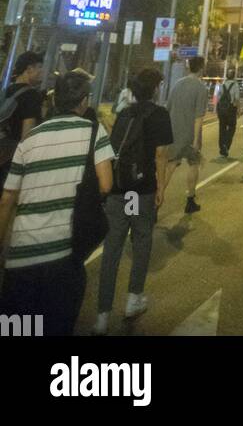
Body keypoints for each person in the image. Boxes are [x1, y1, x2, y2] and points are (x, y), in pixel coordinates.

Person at [0, 69, 113, 337]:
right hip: (63, 256)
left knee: (20, 331)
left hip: (20, 258)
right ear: (84, 101)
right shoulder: (93, 132)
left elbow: (7, 200)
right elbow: (106, 184)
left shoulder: (30, 140)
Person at [94, 67, 173, 334]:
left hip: (121, 190)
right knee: (141, 241)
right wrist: (161, 186)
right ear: (156, 89)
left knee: (112, 250)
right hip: (141, 189)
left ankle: (102, 316)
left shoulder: (124, 113)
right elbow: (161, 155)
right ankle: (132, 300)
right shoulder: (160, 114)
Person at [165, 54, 209, 213]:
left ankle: (157, 201)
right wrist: (196, 140)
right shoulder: (201, 87)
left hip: (173, 132)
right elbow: (199, 117)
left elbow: (168, 108)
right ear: (201, 68)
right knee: (193, 164)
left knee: (169, 166)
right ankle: (190, 200)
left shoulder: (177, 84)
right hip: (190, 134)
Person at [0, 50, 45, 190]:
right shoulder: (31, 95)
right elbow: (27, 134)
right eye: (39, 68)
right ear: (29, 69)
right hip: (12, 158)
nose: (41, 72)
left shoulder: (6, 91)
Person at [217, 66, 243, 157]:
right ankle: (226, 144)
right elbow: (237, 99)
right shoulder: (235, 85)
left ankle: (222, 148)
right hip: (231, 109)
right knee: (232, 127)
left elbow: (219, 97)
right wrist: (239, 110)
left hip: (222, 109)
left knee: (222, 128)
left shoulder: (222, 84)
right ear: (234, 76)